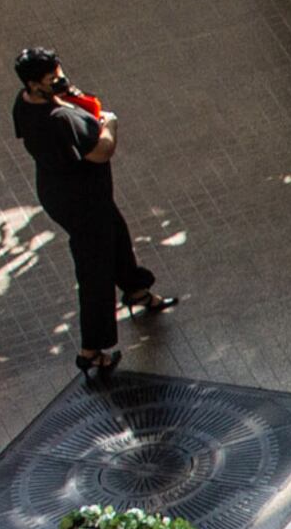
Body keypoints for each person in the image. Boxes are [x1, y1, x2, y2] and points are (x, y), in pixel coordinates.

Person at [13, 49, 176, 379]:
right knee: (94, 270)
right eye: (52, 79)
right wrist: (110, 126)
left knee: (115, 234)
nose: (60, 81)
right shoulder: (59, 120)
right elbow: (101, 152)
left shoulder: (25, 102)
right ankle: (92, 350)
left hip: (66, 193)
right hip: (82, 201)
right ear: (34, 83)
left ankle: (136, 288)